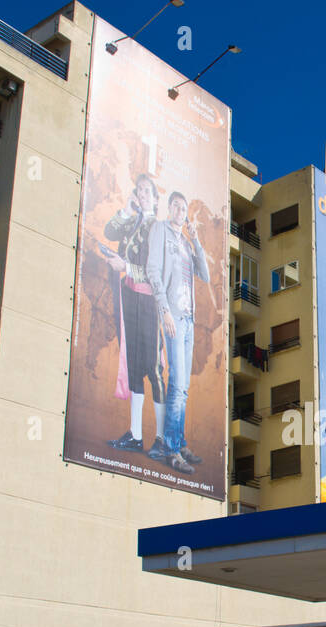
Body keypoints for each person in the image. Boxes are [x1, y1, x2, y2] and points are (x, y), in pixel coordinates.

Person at [102, 173, 167, 459]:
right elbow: (109, 231)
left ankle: (163, 438)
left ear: (155, 197)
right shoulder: (134, 219)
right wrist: (128, 210)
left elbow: (157, 273)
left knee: (153, 368)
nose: (142, 195)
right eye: (138, 191)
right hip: (129, 296)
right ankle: (137, 434)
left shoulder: (157, 228)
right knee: (134, 366)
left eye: (146, 191)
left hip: (148, 301)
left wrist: (125, 267)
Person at [146, 190, 210, 475]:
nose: (179, 211)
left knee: (183, 387)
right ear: (169, 208)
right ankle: (170, 450)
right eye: (175, 206)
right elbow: (152, 269)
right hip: (173, 315)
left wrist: (195, 239)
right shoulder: (160, 230)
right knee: (177, 383)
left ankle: (178, 440)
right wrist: (164, 310)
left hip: (188, 319)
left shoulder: (186, 241)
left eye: (183, 208)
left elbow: (205, 276)